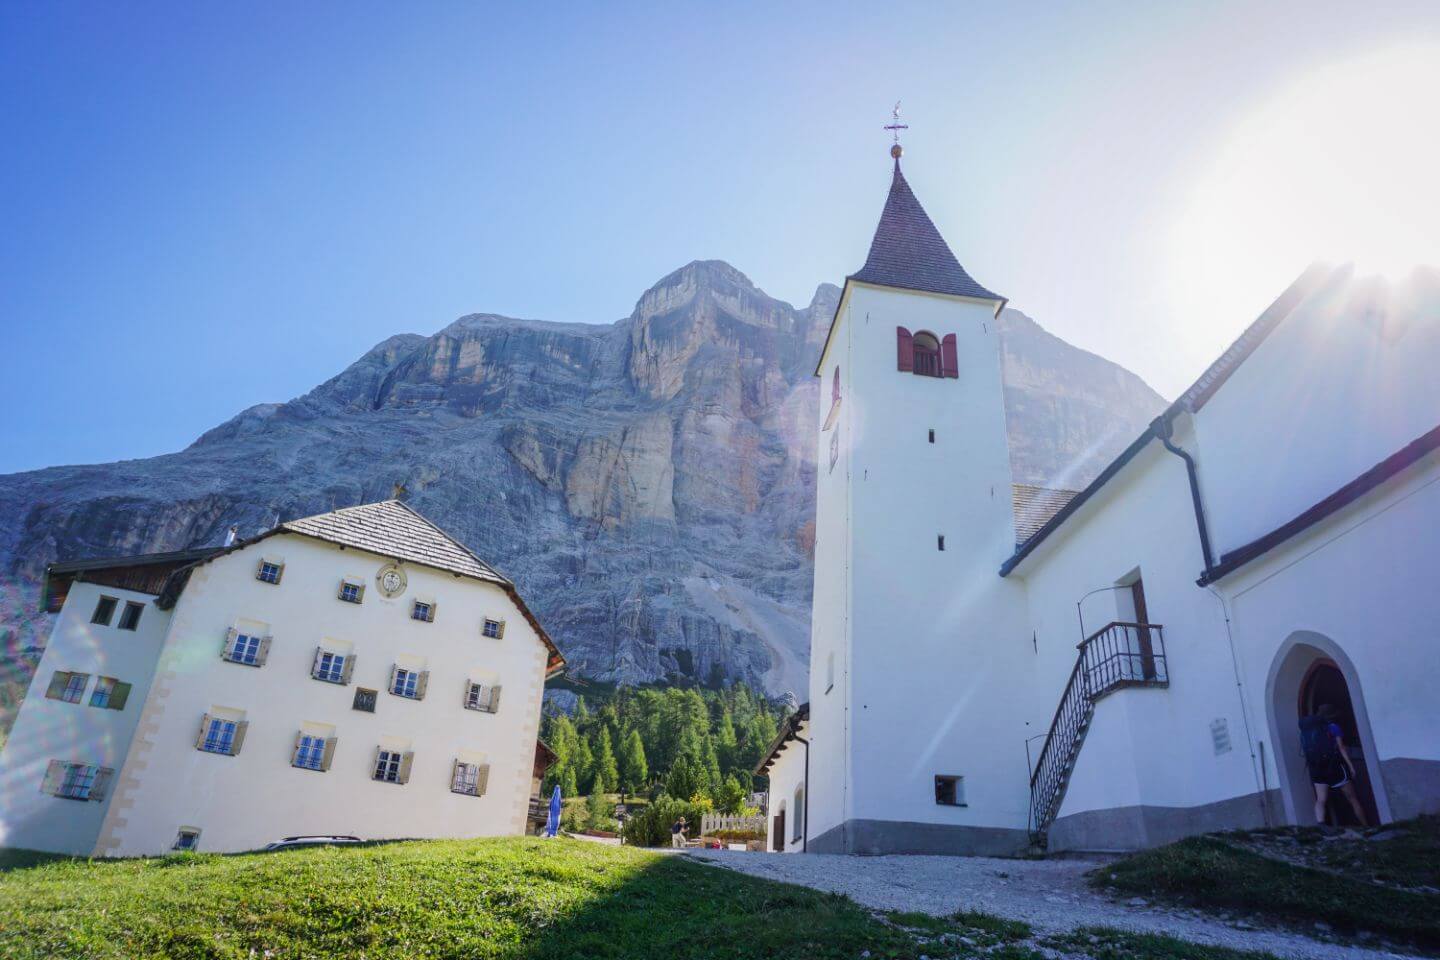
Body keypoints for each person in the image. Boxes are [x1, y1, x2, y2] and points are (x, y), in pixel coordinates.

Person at [1299, 703, 1369, 827]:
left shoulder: (1308, 731)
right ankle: (1366, 825)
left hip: (1317, 768)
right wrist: (1350, 766)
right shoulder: (1333, 727)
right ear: (1332, 715)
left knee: (1321, 800)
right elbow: (1341, 747)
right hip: (1335, 767)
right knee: (1352, 798)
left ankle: (1321, 824)